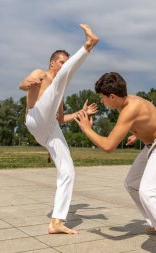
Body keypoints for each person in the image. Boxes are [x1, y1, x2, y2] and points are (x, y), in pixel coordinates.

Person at [74, 72, 156, 252]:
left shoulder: (129, 109)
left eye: (103, 98)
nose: (102, 102)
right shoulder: (126, 102)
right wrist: (137, 133)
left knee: (149, 192)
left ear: (112, 96)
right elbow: (148, 115)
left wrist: (87, 129)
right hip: (153, 143)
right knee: (132, 184)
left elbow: (109, 146)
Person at [19, 24, 99, 234]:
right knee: (59, 82)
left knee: (68, 170)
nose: (63, 65)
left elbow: (61, 118)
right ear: (52, 62)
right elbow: (23, 84)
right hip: (35, 117)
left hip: (50, 128)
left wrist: (81, 114)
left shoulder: (59, 89)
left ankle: (56, 222)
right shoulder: (41, 74)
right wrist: (28, 83)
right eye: (61, 62)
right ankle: (88, 45)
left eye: (66, 62)